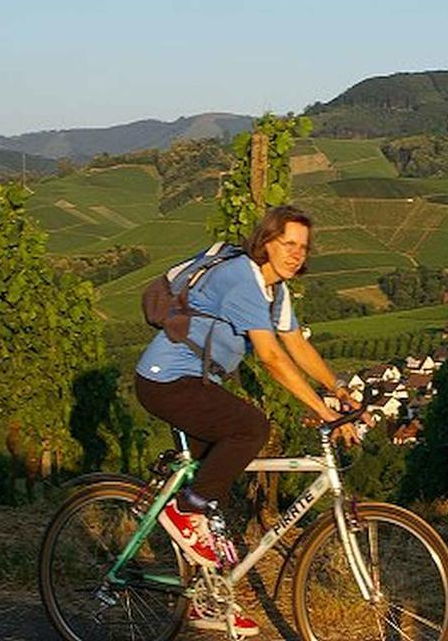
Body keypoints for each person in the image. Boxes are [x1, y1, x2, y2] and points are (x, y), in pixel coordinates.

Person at [134, 205, 359, 634]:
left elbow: (295, 345)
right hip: (166, 381)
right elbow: (273, 358)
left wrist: (339, 389)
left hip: (196, 383)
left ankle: (208, 601)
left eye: (303, 247)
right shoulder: (243, 278)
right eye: (287, 243)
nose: (296, 254)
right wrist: (323, 411)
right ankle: (185, 509)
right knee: (251, 427)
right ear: (266, 242)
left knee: (213, 498)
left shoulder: (276, 290)